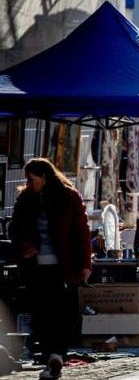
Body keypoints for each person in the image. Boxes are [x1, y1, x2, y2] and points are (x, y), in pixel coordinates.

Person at [9, 159, 91, 380]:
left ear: (44, 177)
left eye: (31, 179)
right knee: (40, 315)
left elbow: (81, 233)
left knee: (62, 314)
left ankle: (56, 355)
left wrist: (85, 265)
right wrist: (25, 246)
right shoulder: (25, 200)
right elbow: (14, 229)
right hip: (35, 268)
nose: (29, 183)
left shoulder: (69, 197)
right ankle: (51, 358)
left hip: (63, 267)